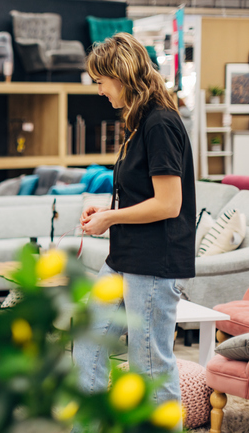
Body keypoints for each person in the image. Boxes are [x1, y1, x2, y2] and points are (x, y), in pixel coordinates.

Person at [74, 32, 195, 408]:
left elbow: (168, 204)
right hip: (124, 258)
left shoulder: (159, 123)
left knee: (150, 367)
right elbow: (142, 192)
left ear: (121, 75)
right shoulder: (139, 122)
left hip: (154, 263)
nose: (98, 91)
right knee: (88, 342)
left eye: (100, 81)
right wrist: (107, 208)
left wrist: (111, 218)